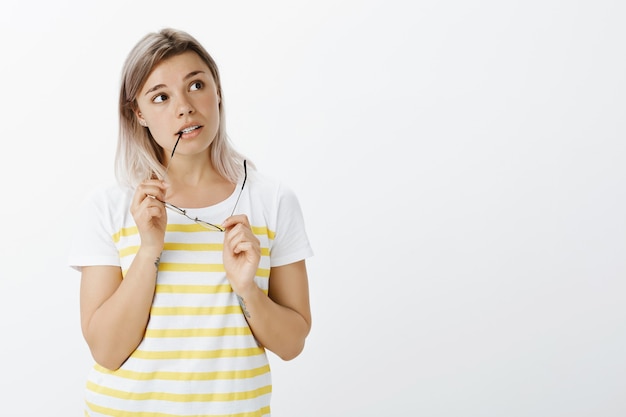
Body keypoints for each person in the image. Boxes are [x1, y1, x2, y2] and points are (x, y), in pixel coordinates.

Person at [68, 28, 313, 417]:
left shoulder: (272, 200)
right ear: (139, 114)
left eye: (196, 85)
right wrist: (149, 248)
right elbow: (107, 351)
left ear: (217, 91)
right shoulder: (110, 205)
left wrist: (247, 289)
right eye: (161, 97)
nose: (184, 107)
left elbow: (291, 345)